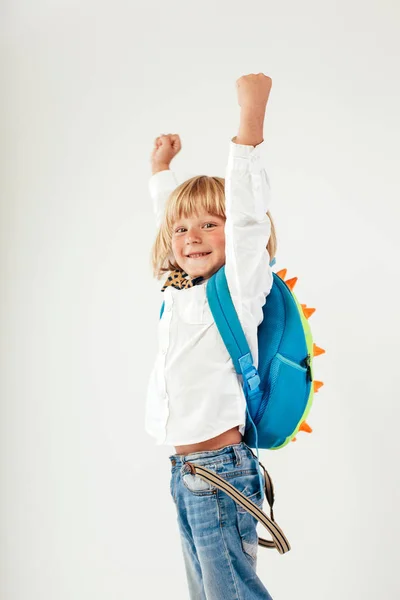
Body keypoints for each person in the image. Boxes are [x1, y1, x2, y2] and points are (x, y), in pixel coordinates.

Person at [145, 73, 277, 599]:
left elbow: (246, 221)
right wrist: (161, 173)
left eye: (208, 225)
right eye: (183, 229)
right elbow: (168, 225)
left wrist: (248, 129)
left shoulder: (240, 287)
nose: (192, 237)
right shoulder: (179, 291)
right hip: (186, 473)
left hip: (219, 473)